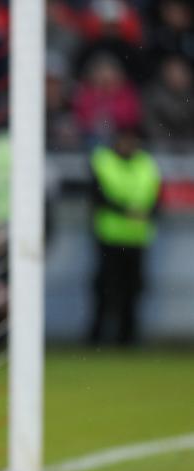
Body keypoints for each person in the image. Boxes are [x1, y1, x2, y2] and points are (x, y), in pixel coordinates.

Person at [87, 127, 160, 346]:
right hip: (110, 237)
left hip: (137, 238)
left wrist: (148, 212)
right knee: (105, 288)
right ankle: (98, 336)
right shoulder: (103, 161)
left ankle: (127, 337)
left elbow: (157, 199)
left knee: (133, 288)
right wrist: (127, 211)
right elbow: (97, 197)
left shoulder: (147, 164)